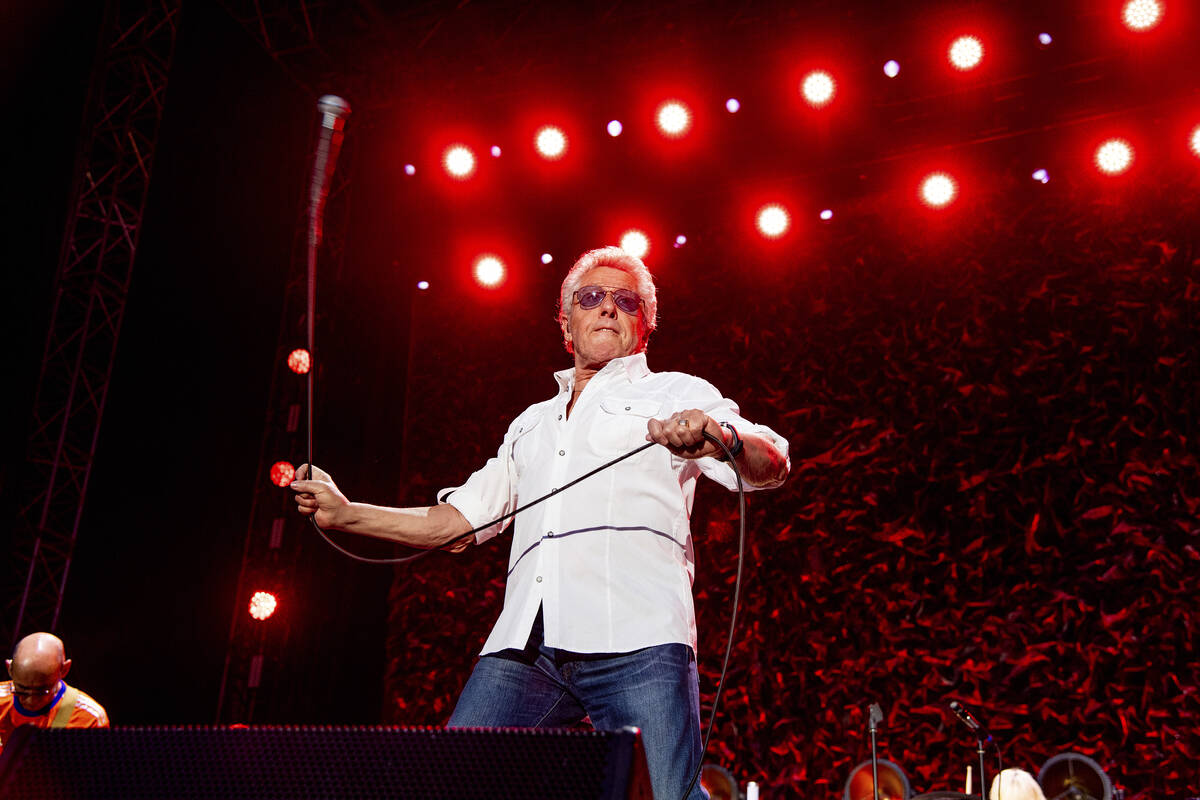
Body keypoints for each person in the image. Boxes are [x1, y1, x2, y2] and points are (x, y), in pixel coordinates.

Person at [291, 246, 789, 800]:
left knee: (668, 795)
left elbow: (771, 465)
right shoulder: (529, 425)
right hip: (527, 650)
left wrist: (724, 438)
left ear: (644, 326)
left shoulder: (675, 393)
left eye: (625, 301)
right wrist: (345, 512)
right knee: (450, 782)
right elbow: (454, 524)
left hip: (640, 640)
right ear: (566, 324)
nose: (606, 308)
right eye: (590, 298)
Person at [1, 632, 109, 750]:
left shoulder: (89, 718)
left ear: (64, 670)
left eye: (42, 691)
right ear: (9, 669)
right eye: (21, 690)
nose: (31, 701)